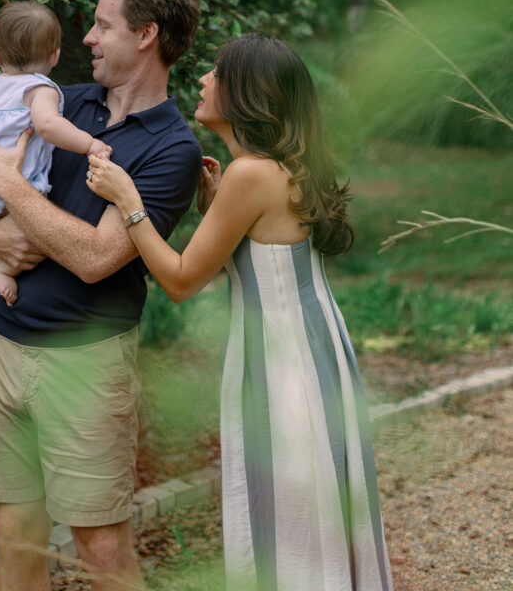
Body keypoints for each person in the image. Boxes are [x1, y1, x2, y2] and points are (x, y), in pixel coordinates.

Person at [86, 33, 394, 591]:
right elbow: (255, 254)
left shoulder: (252, 175)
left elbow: (179, 281)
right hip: (312, 348)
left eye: (216, 72)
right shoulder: (273, 168)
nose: (203, 80)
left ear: (247, 93)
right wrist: (213, 203)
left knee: (291, 520)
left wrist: (130, 203)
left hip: (283, 366)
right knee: (310, 510)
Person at [0, 0, 203, 591]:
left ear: (146, 35)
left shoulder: (171, 150)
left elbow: (97, 257)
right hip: (0, 344)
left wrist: (12, 191)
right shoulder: (59, 103)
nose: (89, 38)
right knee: (16, 541)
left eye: (102, 25)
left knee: (102, 554)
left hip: (84, 363)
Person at [0, 0, 111, 308]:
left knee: (6, 212)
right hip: (7, 184)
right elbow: (49, 126)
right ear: (55, 55)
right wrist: (90, 144)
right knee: (32, 213)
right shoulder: (40, 89)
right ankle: (1, 270)